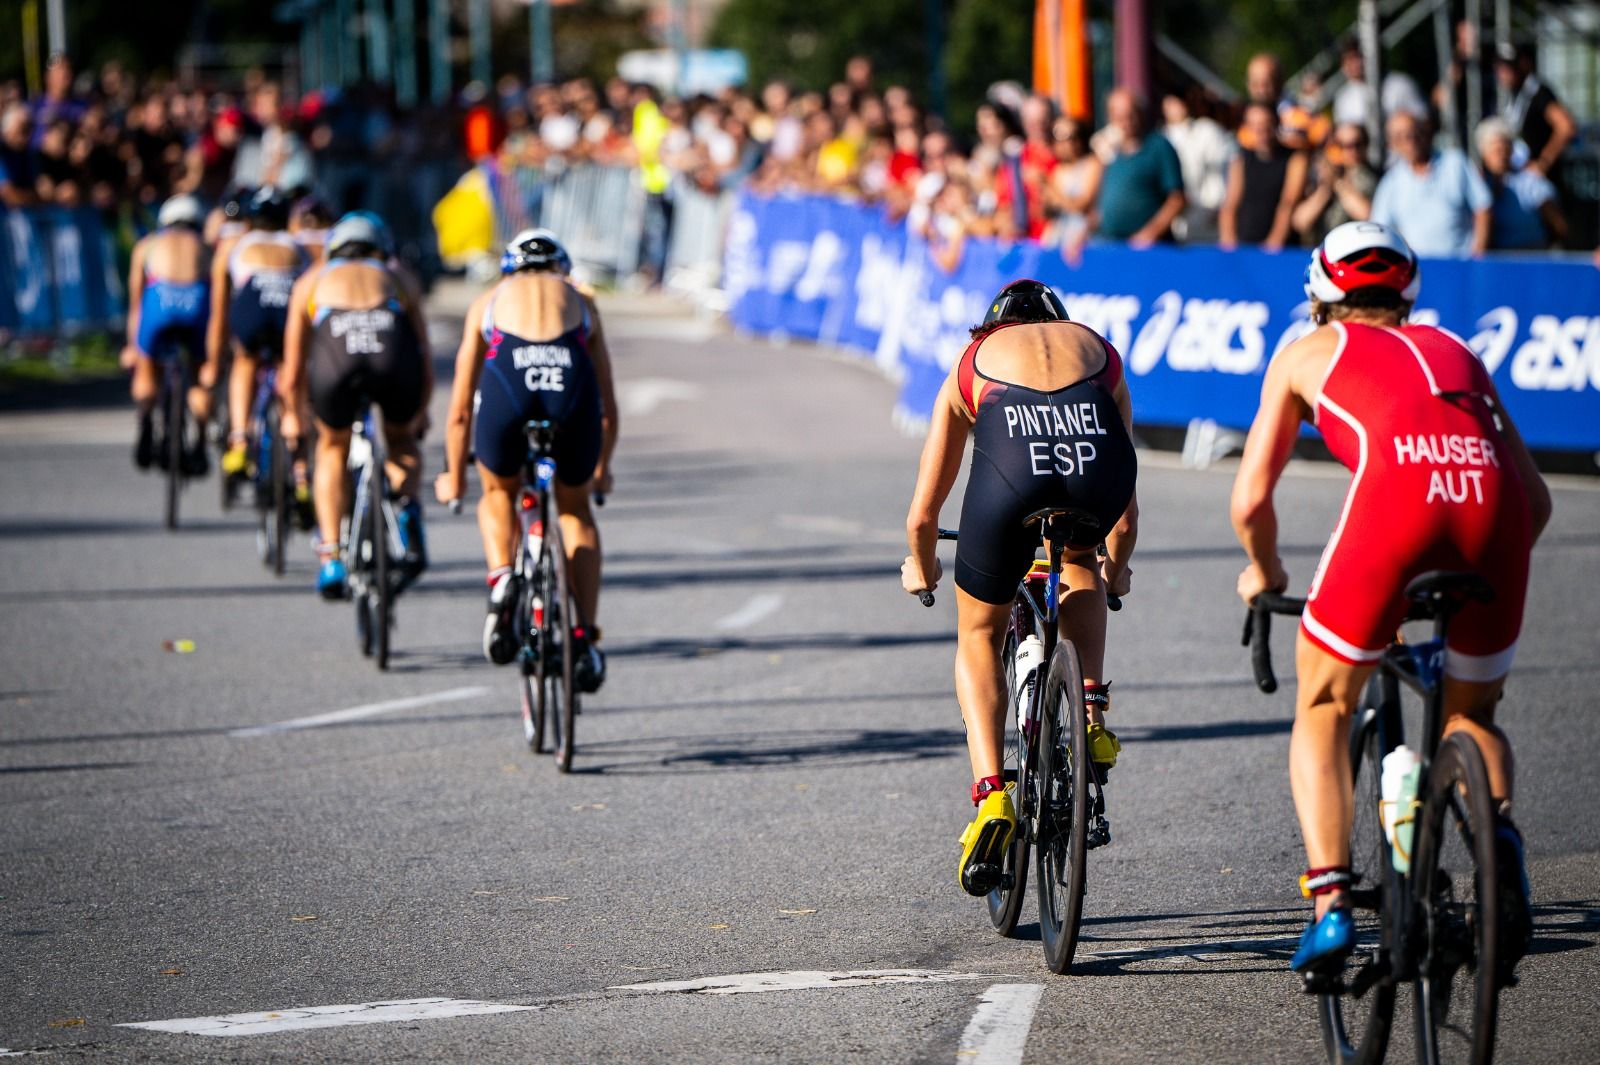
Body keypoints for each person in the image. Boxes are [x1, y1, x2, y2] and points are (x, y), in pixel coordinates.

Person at [1230, 220, 1550, 984]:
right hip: (1493, 515)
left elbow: (1249, 502)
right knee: (1475, 714)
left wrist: (1265, 572)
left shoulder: (1305, 353)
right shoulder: (1457, 351)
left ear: (1319, 295)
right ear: (1407, 289)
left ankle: (1332, 902)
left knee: (1324, 705)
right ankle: (1501, 846)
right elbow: (1535, 503)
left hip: (1396, 511)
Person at [900, 280, 1138, 897]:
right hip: (1094, 480)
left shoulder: (970, 363)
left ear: (988, 330)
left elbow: (924, 517)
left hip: (1009, 483)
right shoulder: (1099, 353)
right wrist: (1118, 568)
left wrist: (921, 567)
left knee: (979, 632)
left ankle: (990, 798)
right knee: (1081, 556)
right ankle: (1090, 713)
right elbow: (1127, 517)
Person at [434, 230, 619, 689]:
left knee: (498, 491)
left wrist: (454, 478)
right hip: (567, 386)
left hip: (510, 383)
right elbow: (607, 408)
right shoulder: (581, 300)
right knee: (575, 512)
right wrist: (601, 470)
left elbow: (459, 409)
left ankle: (501, 578)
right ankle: (585, 636)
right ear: (562, 268)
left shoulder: (490, 299)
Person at [279, 212, 433, 598]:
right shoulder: (398, 276)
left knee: (332, 446)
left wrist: (292, 416)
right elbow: (423, 355)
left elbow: (293, 370)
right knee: (400, 441)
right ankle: (408, 509)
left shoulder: (312, 280)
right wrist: (419, 413)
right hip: (391, 352)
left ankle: (331, 556)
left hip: (337, 353)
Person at [209, 187, 309, 487]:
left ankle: (239, 439)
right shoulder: (297, 245)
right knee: (291, 375)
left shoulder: (235, 245)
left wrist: (214, 360)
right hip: (285, 309)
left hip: (253, 306)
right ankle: (301, 472)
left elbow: (219, 313)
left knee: (245, 359)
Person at [124, 194, 213, 473]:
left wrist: (133, 347)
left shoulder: (147, 245)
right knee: (199, 375)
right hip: (195, 302)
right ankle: (199, 441)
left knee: (147, 368)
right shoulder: (206, 247)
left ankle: (146, 423)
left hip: (158, 301)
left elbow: (136, 304)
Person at [1370, 112, 1490, 258]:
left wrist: (1477, 255)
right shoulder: (1390, 183)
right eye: (1400, 137)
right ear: (1392, 144)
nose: (1409, 140)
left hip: (1461, 264)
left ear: (1424, 132)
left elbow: (1483, 206)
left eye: (1413, 133)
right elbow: (1380, 229)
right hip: (1418, 269)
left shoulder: (1455, 162)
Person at [1094, 89, 1185, 247]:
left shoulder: (1158, 146)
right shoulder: (1111, 152)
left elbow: (1176, 199)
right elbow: (1102, 204)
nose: (1127, 122)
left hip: (1150, 250)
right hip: (1113, 246)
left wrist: (1151, 232)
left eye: (1131, 115)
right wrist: (1083, 231)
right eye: (1120, 117)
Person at [1219, 102, 1307, 251]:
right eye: (1254, 124)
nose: (1261, 130)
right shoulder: (1241, 158)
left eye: (1266, 123)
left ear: (1276, 123)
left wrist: (1273, 243)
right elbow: (1230, 203)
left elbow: (1288, 202)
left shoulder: (1295, 158)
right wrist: (1229, 242)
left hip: (1281, 247)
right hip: (1244, 241)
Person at [1477, 117, 1566, 251]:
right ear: (1484, 152)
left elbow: (1557, 223)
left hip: (1531, 256)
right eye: (1494, 148)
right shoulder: (1478, 183)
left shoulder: (1530, 182)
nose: (1500, 154)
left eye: (1504, 147)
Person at [1494, 42, 1576, 185]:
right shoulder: (1511, 93)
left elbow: (1566, 126)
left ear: (1523, 64)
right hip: (1519, 177)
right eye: (1500, 67)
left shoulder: (1538, 92)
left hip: (1540, 183)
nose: (1503, 73)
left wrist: (1543, 163)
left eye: (1509, 67)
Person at [1292, 123, 1375, 247]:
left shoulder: (1371, 177)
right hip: (1321, 250)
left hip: (1355, 250)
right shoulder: (1320, 175)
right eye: (1342, 145)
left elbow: (1369, 215)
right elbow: (1300, 222)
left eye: (1357, 144)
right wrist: (1325, 190)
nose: (1351, 151)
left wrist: (1337, 183)